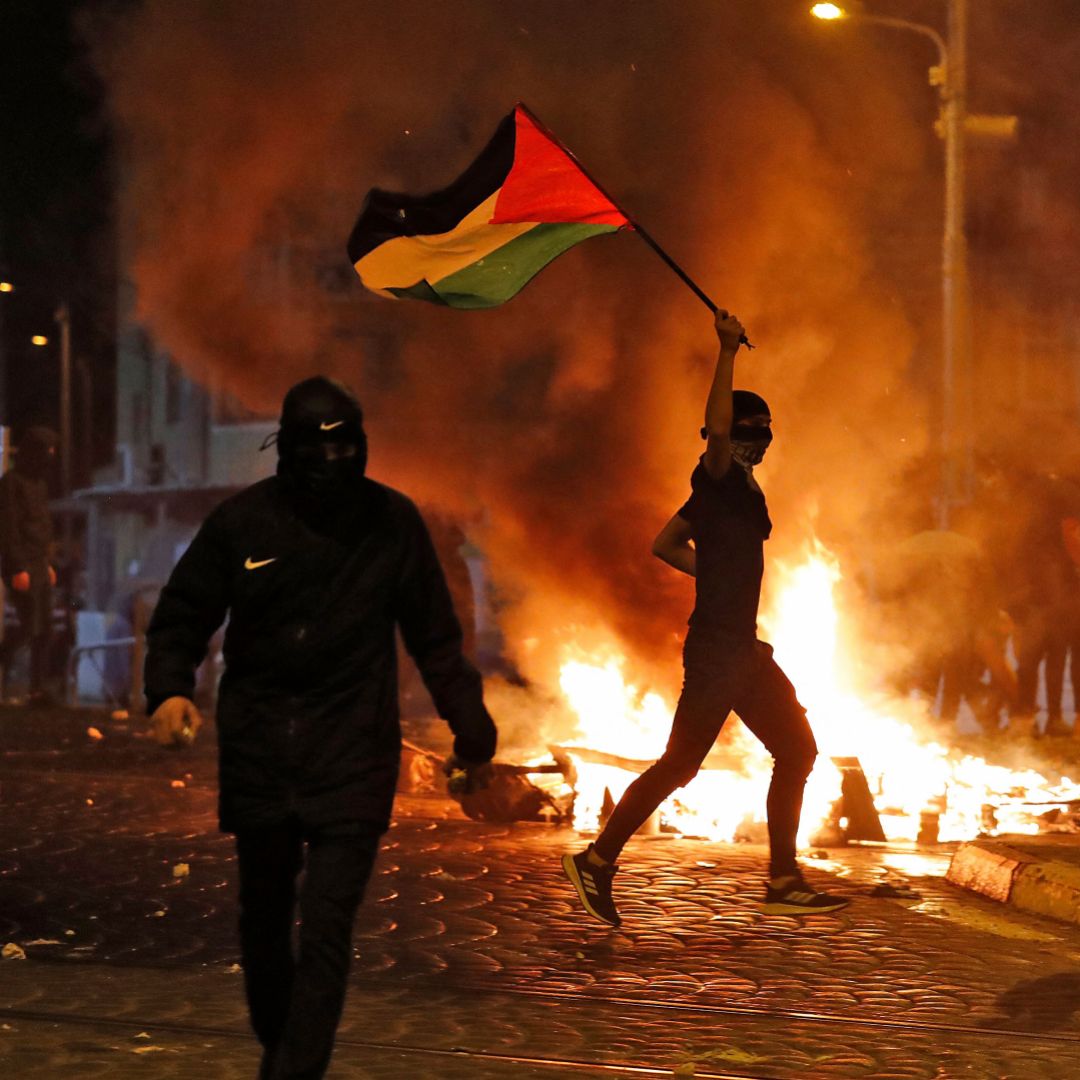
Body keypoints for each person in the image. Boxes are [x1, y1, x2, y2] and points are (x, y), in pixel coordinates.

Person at [144, 376, 497, 1080]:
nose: (335, 464)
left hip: (353, 753)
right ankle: (284, 1045)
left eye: (348, 448)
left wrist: (470, 724)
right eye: (321, 450)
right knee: (265, 922)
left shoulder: (393, 523)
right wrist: (169, 693)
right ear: (290, 449)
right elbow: (183, 614)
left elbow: (435, 637)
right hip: (261, 750)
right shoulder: (244, 523)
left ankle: (291, 1072)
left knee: (329, 925)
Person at [561, 312, 847, 927]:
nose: (760, 441)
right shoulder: (717, 475)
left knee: (796, 750)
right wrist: (724, 352)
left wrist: (715, 575)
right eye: (753, 432)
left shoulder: (731, 493)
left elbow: (665, 545)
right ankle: (596, 861)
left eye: (763, 433)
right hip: (718, 652)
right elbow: (716, 431)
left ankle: (783, 877)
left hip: (742, 650)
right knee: (681, 765)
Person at [0, 426, 59, 703]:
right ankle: (11, 673)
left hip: (37, 563)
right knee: (27, 628)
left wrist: (45, 563)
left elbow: (42, 524)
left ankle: (37, 689)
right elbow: (9, 527)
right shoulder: (11, 482)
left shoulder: (40, 484)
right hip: (22, 564)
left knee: (43, 628)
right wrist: (17, 566)